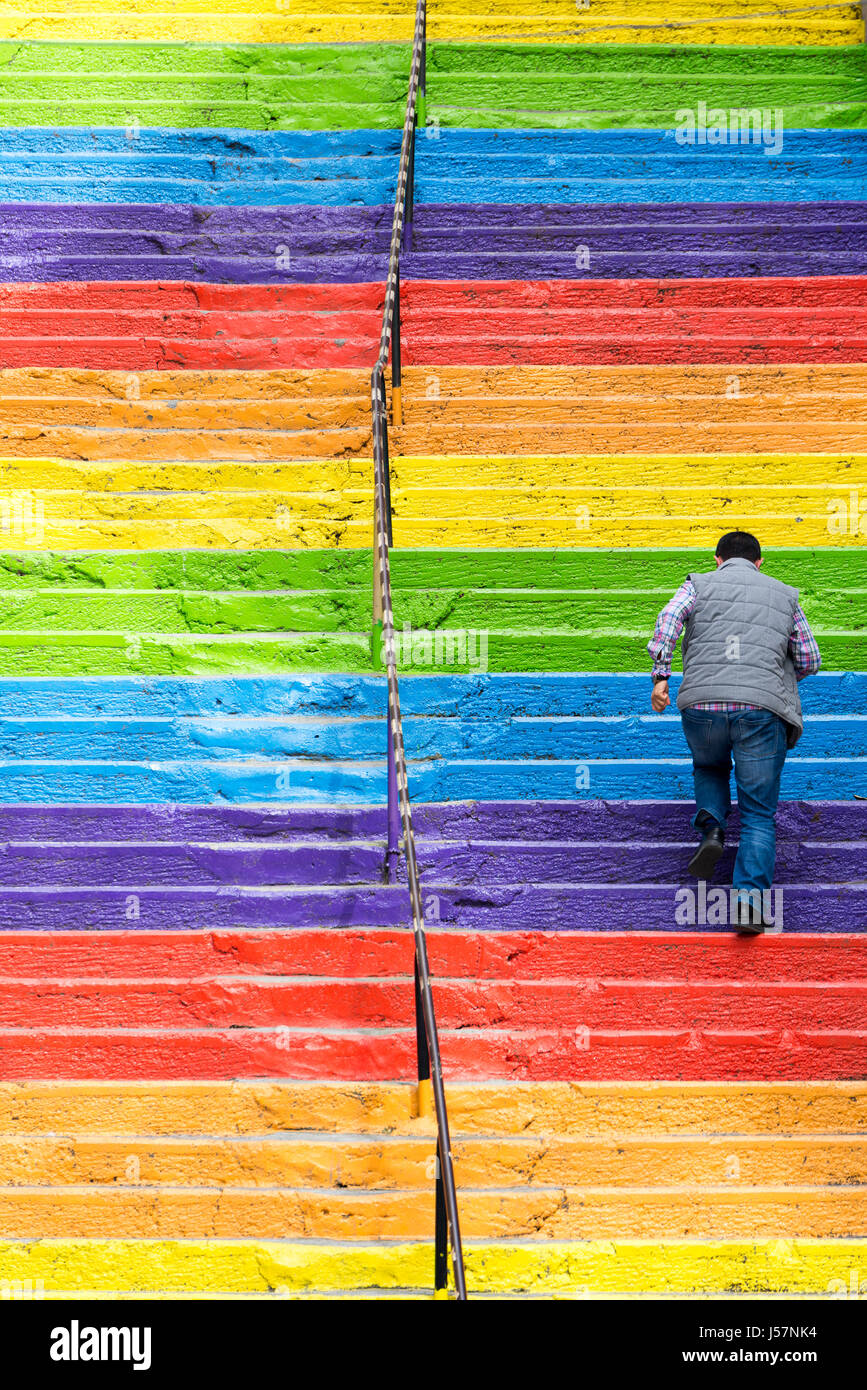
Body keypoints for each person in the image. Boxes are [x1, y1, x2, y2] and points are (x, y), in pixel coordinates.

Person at [647, 530, 821, 934]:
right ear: (760, 562)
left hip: (702, 703)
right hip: (762, 710)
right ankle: (747, 908)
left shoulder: (698, 584)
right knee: (759, 815)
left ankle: (712, 827)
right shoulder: (784, 595)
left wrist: (661, 676)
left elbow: (669, 620)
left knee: (709, 766)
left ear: (717, 559)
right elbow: (810, 659)